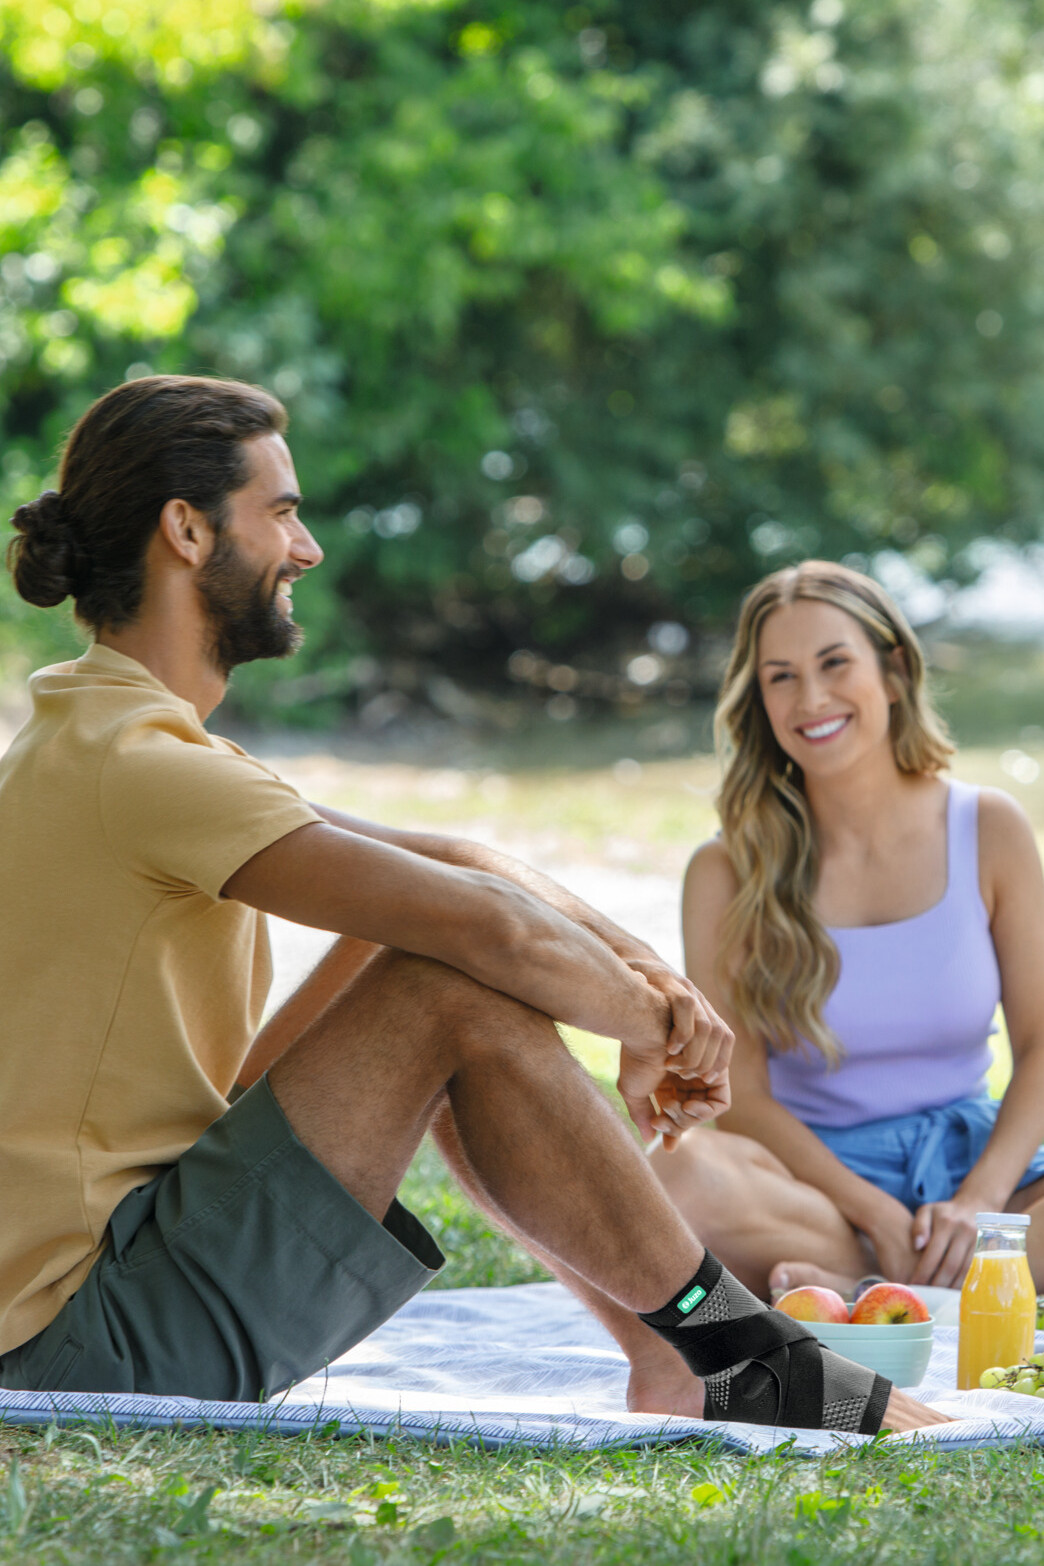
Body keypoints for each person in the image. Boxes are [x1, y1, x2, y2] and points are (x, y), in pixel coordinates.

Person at [0, 380, 944, 1435]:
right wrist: (661, 1032)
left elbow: (460, 859)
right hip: (88, 1341)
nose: (305, 549)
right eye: (281, 511)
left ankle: (679, 1365)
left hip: (118, 1285)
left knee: (415, 940)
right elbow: (487, 927)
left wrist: (662, 987)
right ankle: (742, 1355)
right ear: (186, 530)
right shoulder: (145, 768)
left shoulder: (102, 738)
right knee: (448, 987)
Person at [650, 560, 1044, 1302]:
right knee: (672, 1173)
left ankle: (858, 1284)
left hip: (976, 1164)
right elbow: (740, 1091)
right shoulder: (725, 869)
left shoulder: (989, 828)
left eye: (835, 663)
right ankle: (903, 1271)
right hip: (812, 1182)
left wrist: (982, 1203)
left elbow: (1041, 1042)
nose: (812, 698)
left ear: (893, 672)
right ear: (758, 699)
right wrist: (870, 1208)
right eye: (781, 677)